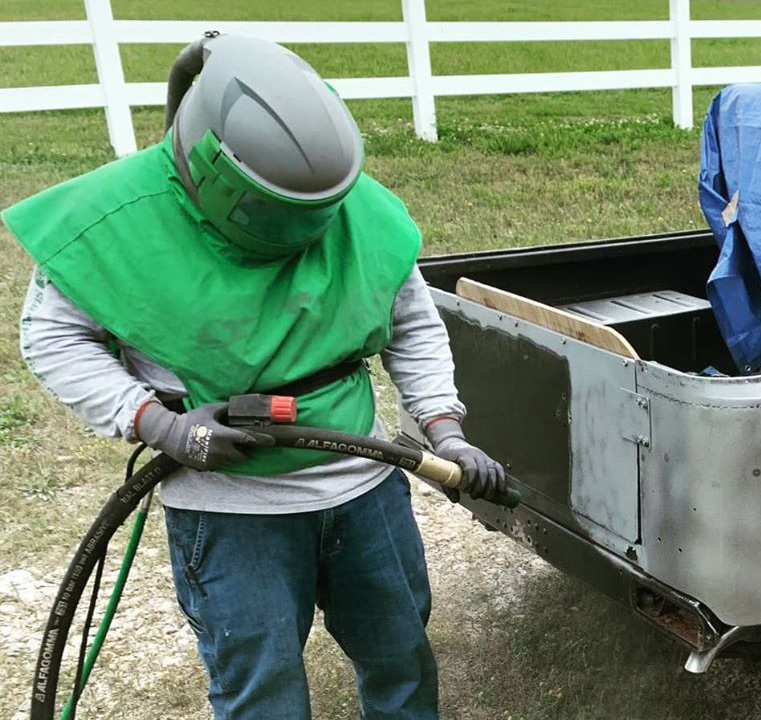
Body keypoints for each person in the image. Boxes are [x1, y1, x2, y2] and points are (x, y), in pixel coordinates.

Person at [4, 33, 506, 720]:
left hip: (364, 489)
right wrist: (162, 427)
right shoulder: (115, 221)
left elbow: (411, 321)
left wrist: (444, 432)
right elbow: (54, 338)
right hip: (231, 510)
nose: (301, 233)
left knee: (399, 656)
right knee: (261, 690)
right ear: (211, 169)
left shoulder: (353, 206)